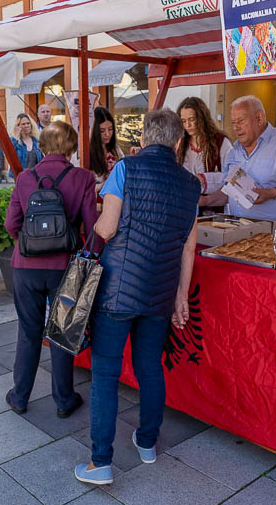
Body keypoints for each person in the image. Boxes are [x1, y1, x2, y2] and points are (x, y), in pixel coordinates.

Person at [75, 109, 201, 485]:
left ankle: (101, 463)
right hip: (159, 292)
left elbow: (108, 228)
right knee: (150, 368)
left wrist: (97, 222)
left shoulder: (125, 169)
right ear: (178, 142)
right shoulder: (191, 184)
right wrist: (181, 297)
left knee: (105, 374)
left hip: (117, 289)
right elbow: (188, 248)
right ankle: (147, 443)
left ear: (143, 138)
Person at [2, 121, 97, 419]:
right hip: (65, 266)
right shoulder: (83, 177)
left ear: (42, 144)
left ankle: (19, 397)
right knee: (62, 333)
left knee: (28, 331)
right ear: (71, 146)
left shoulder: (25, 177)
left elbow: (10, 225)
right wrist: (89, 259)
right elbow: (93, 230)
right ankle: (64, 400)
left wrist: (30, 246)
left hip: (24, 267)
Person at [212, 95, 276, 222]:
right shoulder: (234, 150)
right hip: (238, 230)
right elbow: (227, 190)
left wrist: (272, 192)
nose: (235, 127)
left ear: (259, 118)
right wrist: (202, 200)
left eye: (240, 121)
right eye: (233, 122)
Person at [176, 97, 232, 211]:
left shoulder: (220, 142)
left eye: (191, 119)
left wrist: (203, 179)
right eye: (183, 121)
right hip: (187, 207)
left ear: (201, 118)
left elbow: (232, 176)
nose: (188, 125)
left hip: (215, 210)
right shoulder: (180, 143)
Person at [88, 107, 124, 194]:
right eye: (102, 131)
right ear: (94, 131)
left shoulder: (115, 149)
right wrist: (103, 185)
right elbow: (80, 188)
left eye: (110, 129)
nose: (107, 134)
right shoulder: (85, 152)